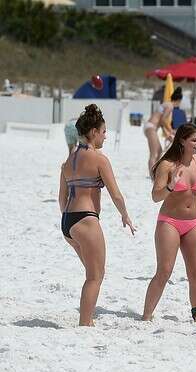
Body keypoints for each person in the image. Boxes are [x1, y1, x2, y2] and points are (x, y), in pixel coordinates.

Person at [58, 104, 136, 326]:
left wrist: (70, 221)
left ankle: (88, 321)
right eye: (103, 132)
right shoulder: (99, 159)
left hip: (68, 223)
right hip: (86, 220)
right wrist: (125, 216)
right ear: (93, 132)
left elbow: (61, 200)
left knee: (92, 273)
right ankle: (85, 323)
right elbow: (116, 194)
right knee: (95, 276)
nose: (105, 136)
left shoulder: (67, 162)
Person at [143, 124, 196, 321]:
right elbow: (156, 196)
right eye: (194, 140)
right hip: (170, 222)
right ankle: (147, 315)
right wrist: (171, 186)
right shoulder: (167, 165)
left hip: (194, 223)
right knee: (164, 271)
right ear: (182, 140)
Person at [143, 87, 183, 176]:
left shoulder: (166, 104)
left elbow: (161, 121)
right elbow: (164, 120)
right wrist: (171, 131)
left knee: (160, 151)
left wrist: (168, 133)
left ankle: (155, 172)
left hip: (150, 127)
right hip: (151, 127)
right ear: (178, 100)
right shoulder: (170, 106)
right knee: (154, 153)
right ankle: (152, 175)